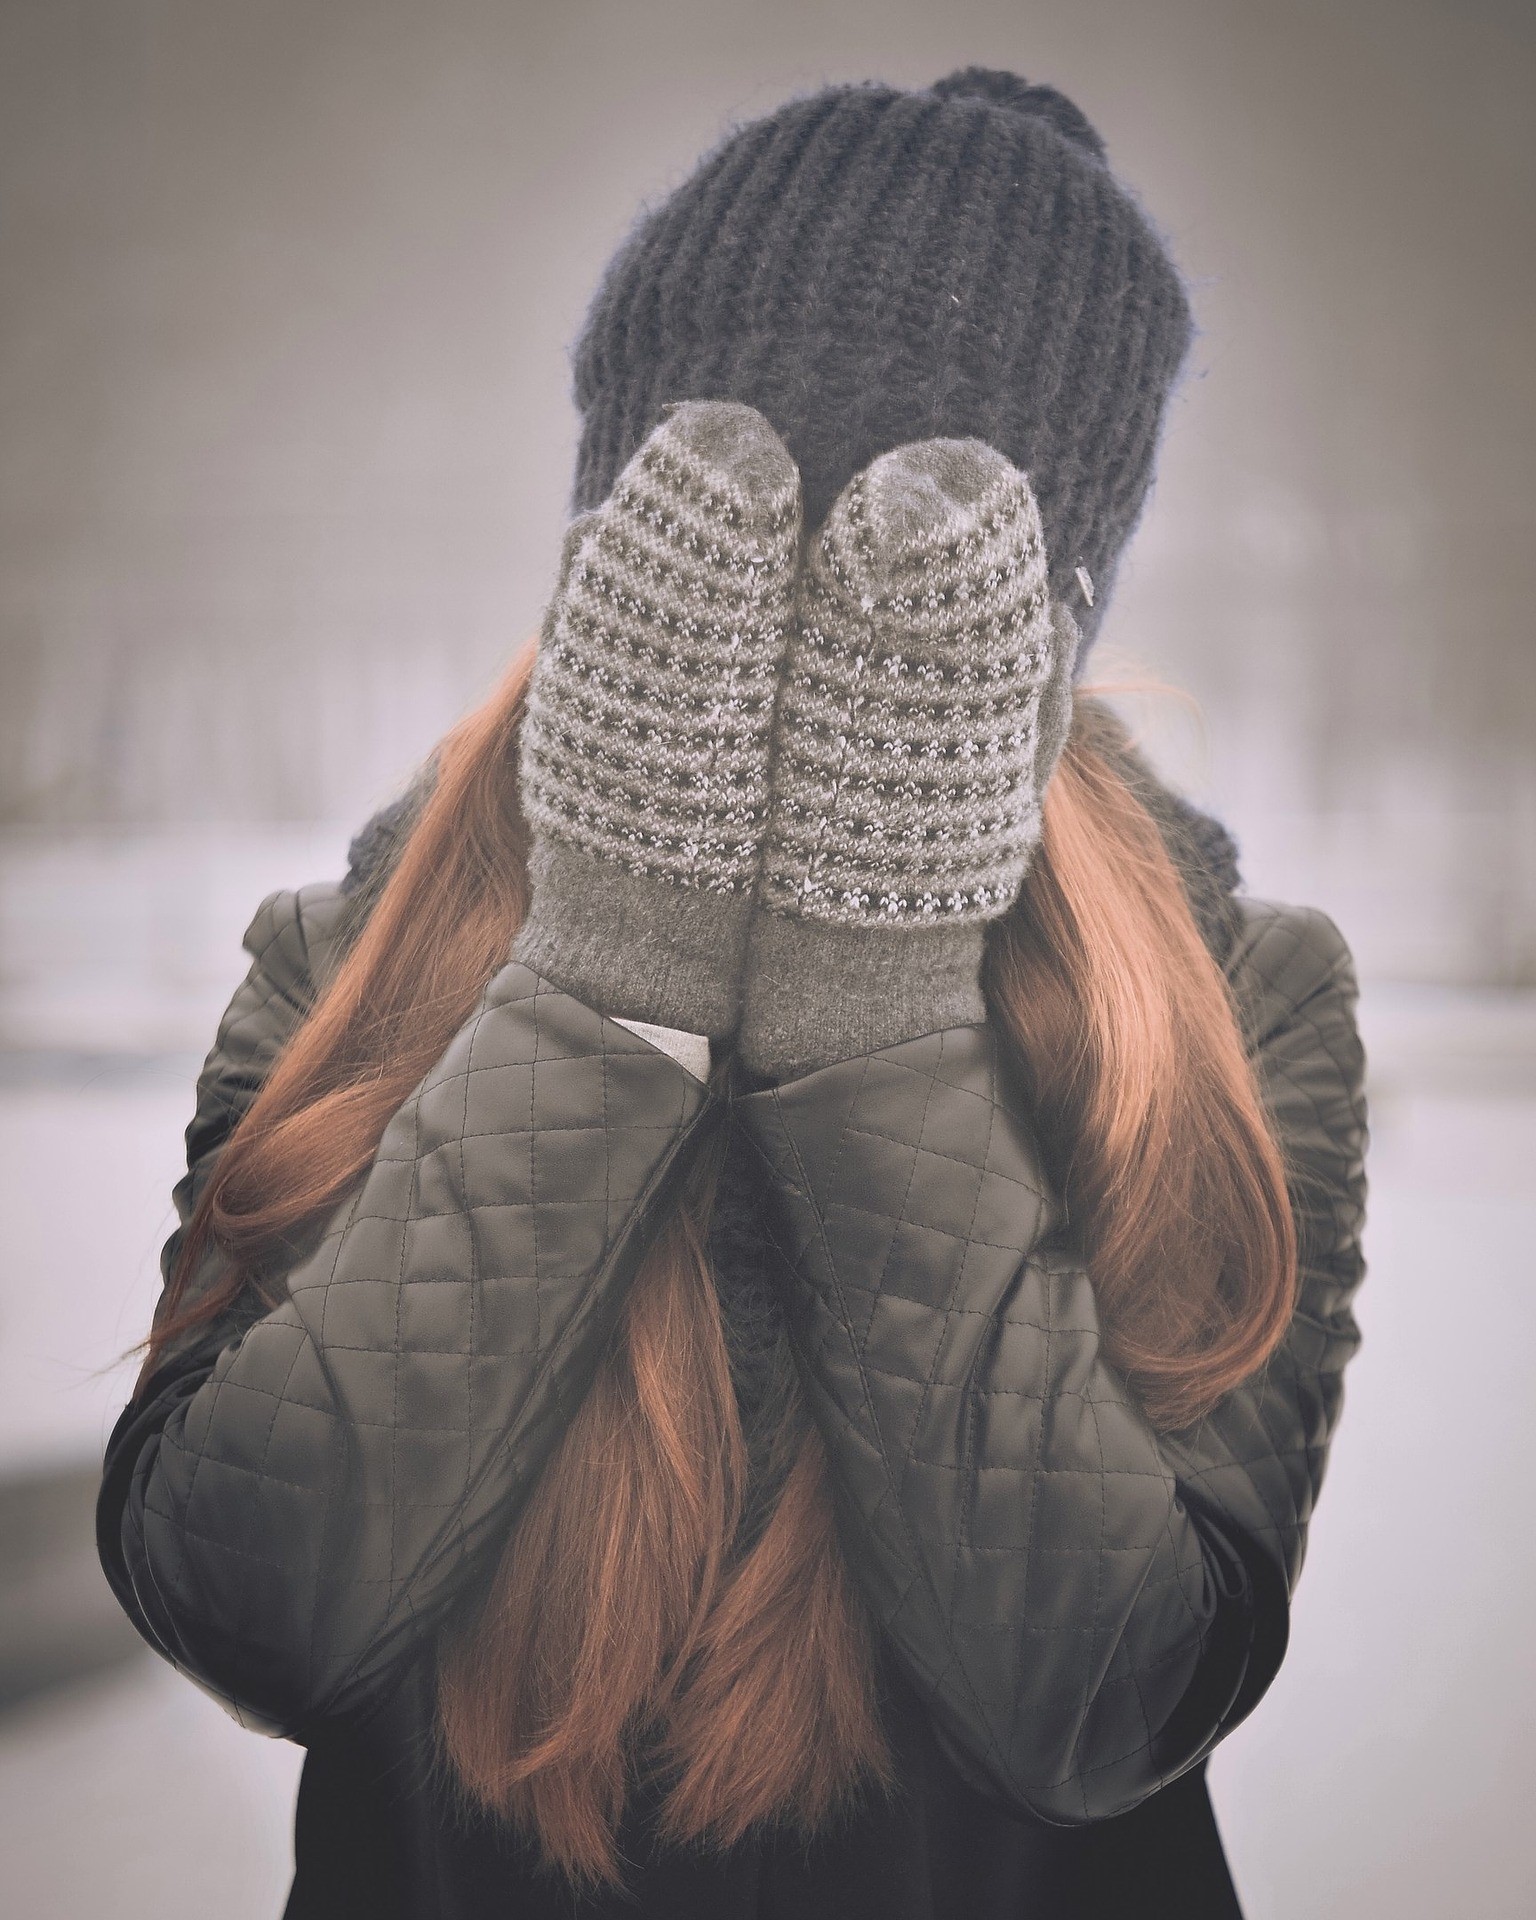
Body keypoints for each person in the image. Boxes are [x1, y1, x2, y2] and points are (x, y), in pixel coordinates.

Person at [96, 68, 1368, 1920]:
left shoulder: (1242, 1012)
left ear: (1045, 613)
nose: (805, 607)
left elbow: (1109, 1695)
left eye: (909, 553)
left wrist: (878, 1026)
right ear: (613, 552)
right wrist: (602, 989)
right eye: (732, 516)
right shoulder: (352, 959)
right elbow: (245, 1602)